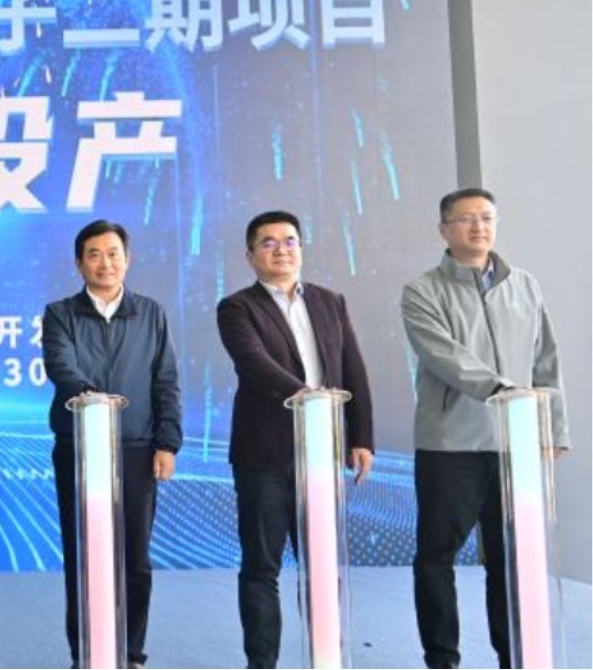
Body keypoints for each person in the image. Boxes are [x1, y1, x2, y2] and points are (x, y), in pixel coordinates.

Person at [402, 187, 569, 669]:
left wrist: (552, 428)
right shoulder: (422, 290)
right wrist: (501, 389)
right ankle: (442, 658)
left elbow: (546, 360)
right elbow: (443, 355)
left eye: (487, 217)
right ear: (444, 230)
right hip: (449, 445)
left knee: (511, 560)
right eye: (467, 218)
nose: (479, 226)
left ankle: (514, 656)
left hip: (515, 445)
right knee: (436, 557)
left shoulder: (525, 285)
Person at [215, 210, 375, 669]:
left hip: (322, 454)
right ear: (250, 255)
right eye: (268, 243)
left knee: (322, 565)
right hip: (264, 456)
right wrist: (308, 396)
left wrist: (361, 436)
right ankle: (262, 662)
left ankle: (326, 657)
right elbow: (253, 362)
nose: (281, 250)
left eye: (289, 241)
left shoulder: (330, 301)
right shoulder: (237, 307)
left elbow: (353, 369)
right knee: (262, 567)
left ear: (301, 249)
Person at [41, 219, 182, 669]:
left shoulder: (151, 313)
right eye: (94, 254)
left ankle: (131, 654)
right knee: (83, 554)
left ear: (128, 258)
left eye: (113, 253)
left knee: (134, 558)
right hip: (79, 448)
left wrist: (168, 443)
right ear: (79, 262)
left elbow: (165, 381)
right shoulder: (60, 314)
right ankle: (85, 654)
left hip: (137, 448)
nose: (105, 262)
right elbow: (61, 366)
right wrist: (92, 399)